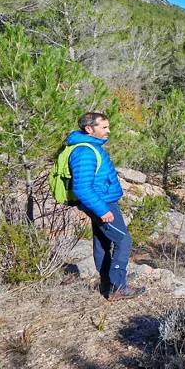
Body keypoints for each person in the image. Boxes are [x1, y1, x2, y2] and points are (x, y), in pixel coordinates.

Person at [66, 112, 145, 301]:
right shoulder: (84, 152)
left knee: (103, 242)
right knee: (123, 241)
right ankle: (119, 286)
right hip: (101, 204)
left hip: (100, 201)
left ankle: (107, 282)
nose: (108, 131)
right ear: (89, 129)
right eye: (104, 127)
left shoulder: (89, 147)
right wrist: (103, 210)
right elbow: (82, 187)